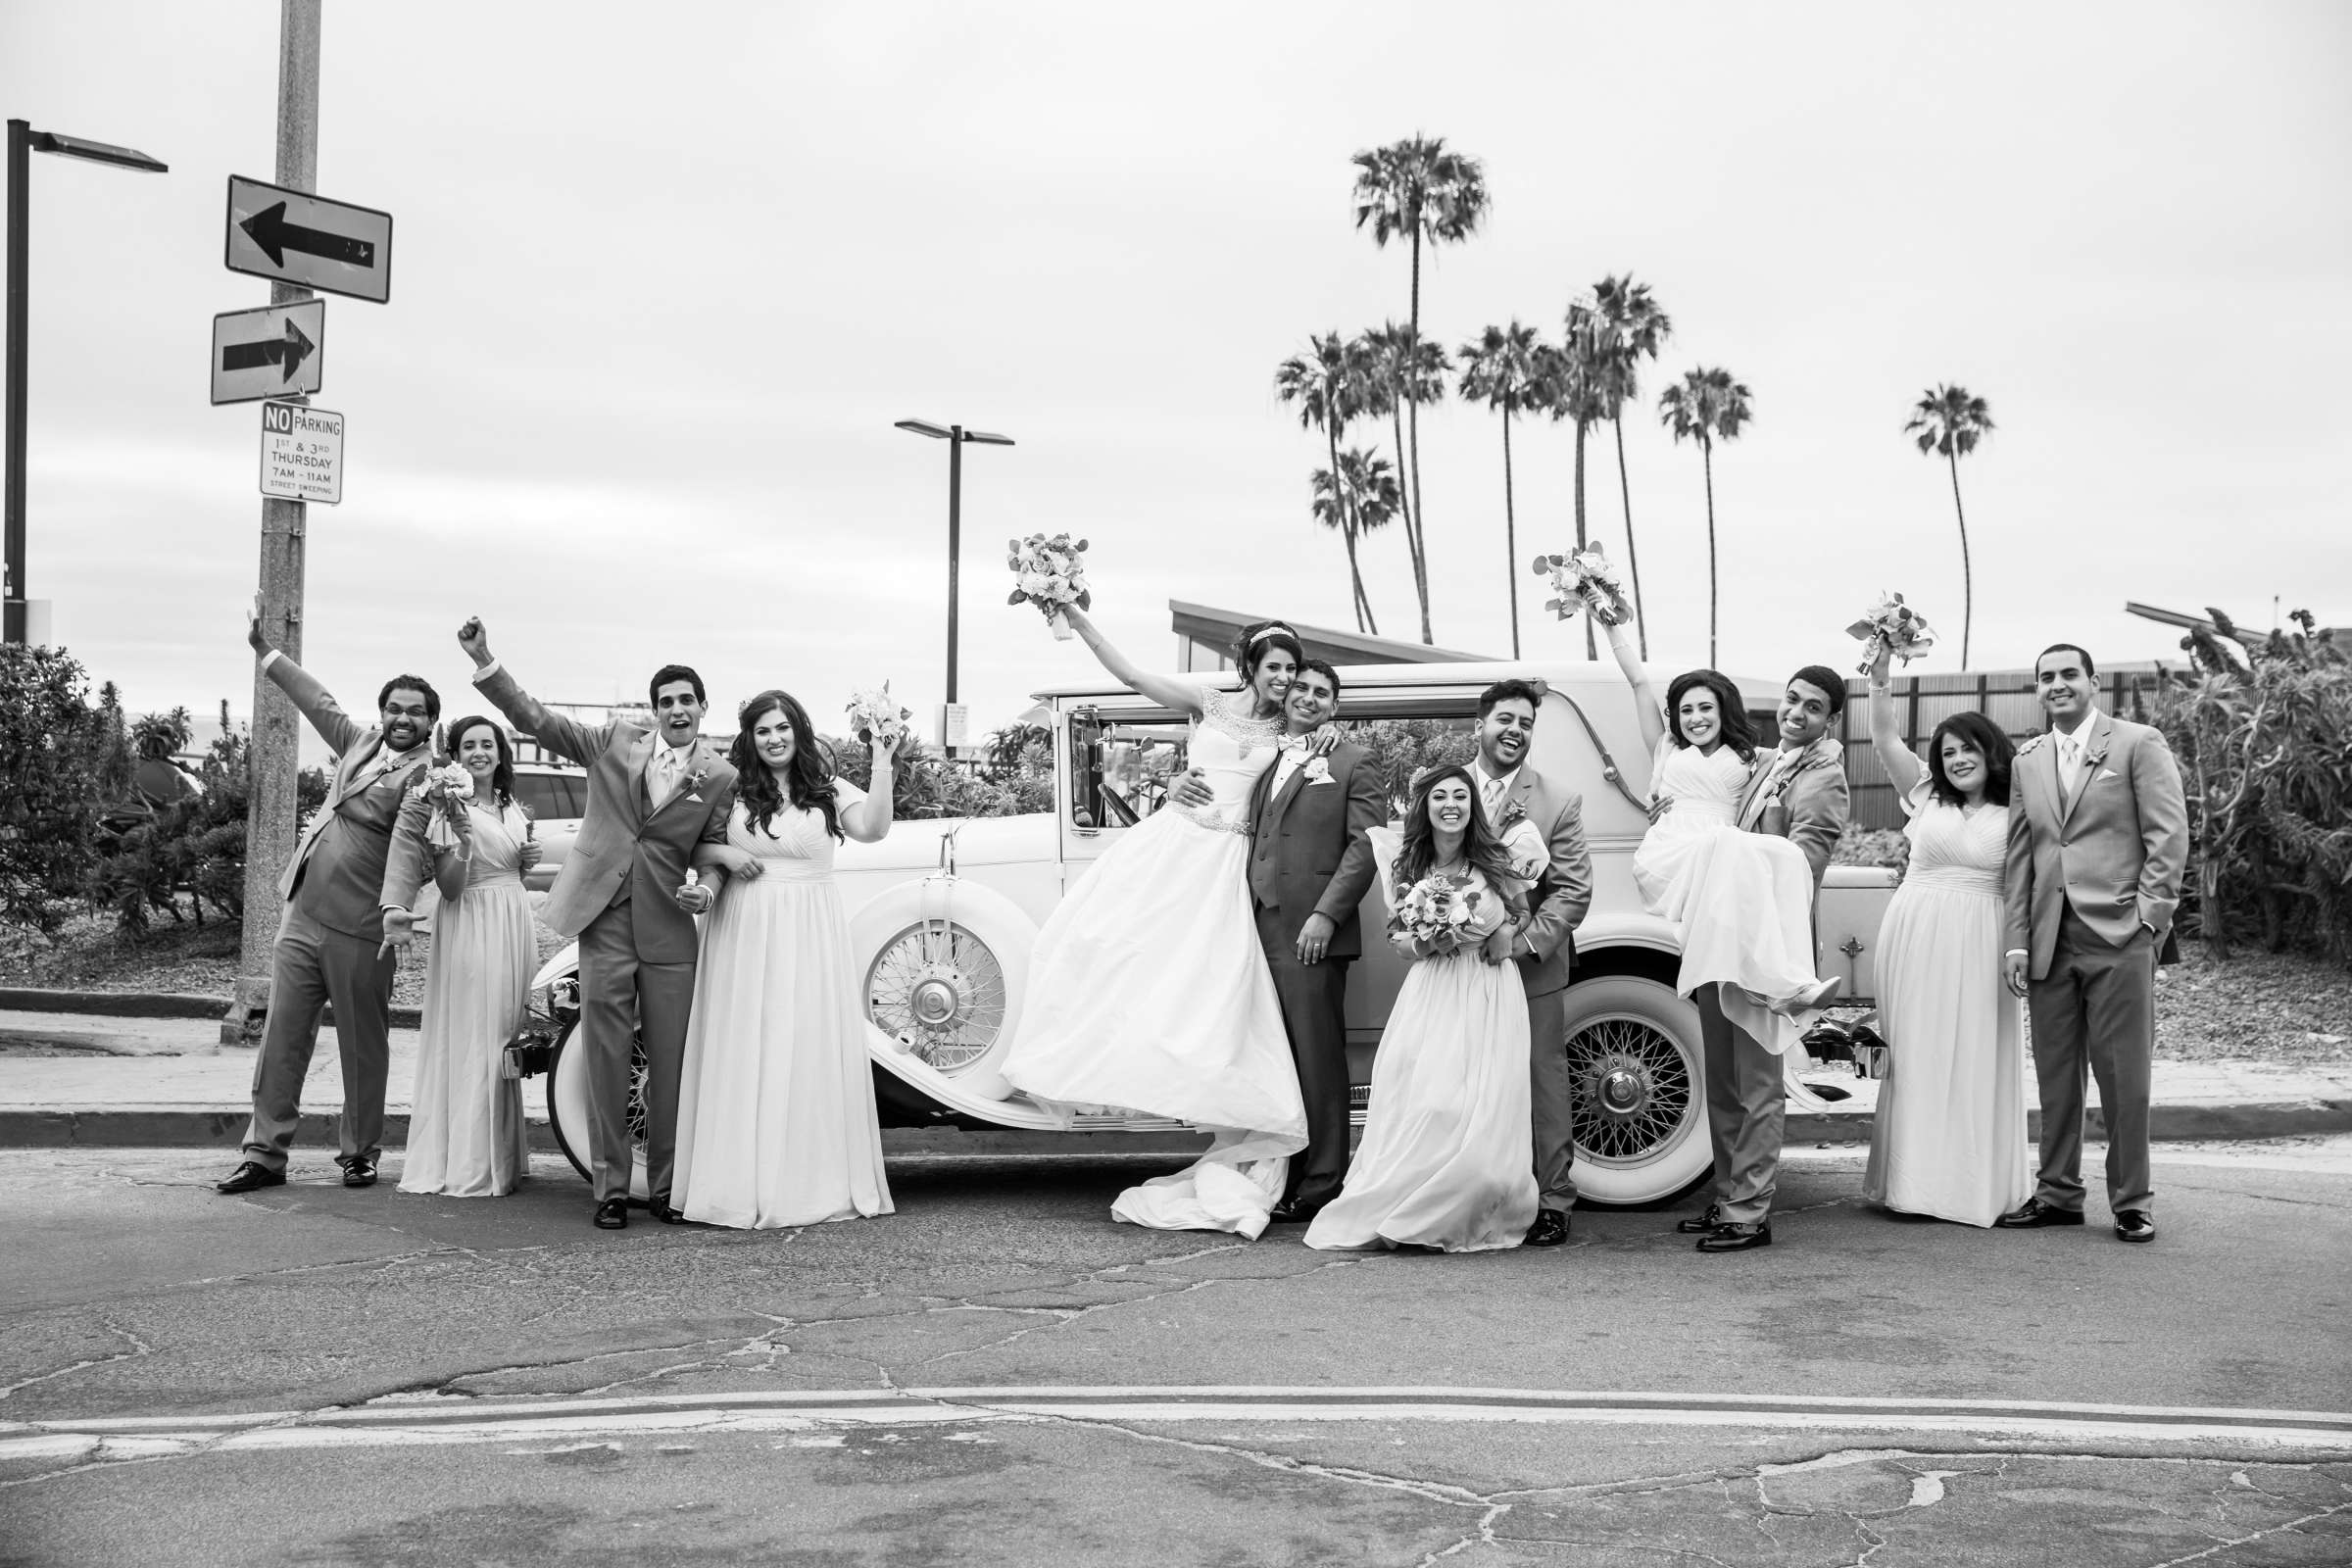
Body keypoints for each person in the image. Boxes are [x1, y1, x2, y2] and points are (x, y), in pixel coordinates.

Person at [1000, 612, 1313, 1238]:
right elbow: (1130, 672)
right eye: (1274, 666)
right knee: (1111, 948)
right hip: (1176, 844)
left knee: (1213, 983)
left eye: (1290, 668)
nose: (1283, 678)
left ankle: (1224, 1105)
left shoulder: (1293, 728)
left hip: (1229, 861)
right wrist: (1073, 614)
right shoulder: (1208, 702)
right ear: (1250, 665)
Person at [458, 618, 737, 1231]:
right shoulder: (614, 742)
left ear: (702, 707)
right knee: (607, 1055)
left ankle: (664, 1186)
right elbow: (539, 721)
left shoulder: (719, 777)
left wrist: (708, 892)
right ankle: (612, 1187)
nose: (676, 709)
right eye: (666, 701)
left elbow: (712, 849)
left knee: (669, 1062)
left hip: (669, 930)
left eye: (687, 699)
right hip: (604, 922)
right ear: (654, 711)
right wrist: (487, 663)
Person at [1594, 610, 1849, 1251]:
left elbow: (1806, 860)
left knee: (1758, 1080)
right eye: (1790, 700)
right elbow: (1651, 707)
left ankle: (1749, 1213)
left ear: (1829, 720)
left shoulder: (1822, 770)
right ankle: (1729, 1196)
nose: (1795, 712)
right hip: (1712, 929)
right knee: (1726, 1080)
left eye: (1812, 707)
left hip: (1759, 934)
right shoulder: (1762, 762)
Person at [217, 604, 437, 1197]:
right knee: (282, 1037)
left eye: (415, 713)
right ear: (382, 713)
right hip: (302, 913)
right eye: (394, 708)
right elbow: (319, 702)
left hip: (363, 927)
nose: (401, 718)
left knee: (362, 1046)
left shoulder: (429, 779)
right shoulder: (359, 744)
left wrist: (396, 912)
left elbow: (412, 853)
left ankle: (360, 1152)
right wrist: (267, 653)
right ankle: (264, 1153)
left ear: (430, 724)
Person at [671, 690, 902, 1229]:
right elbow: (686, 846)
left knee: (802, 1044)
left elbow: (873, 827)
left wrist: (883, 762)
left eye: (782, 728)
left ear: (798, 730)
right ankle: (736, 1181)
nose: (774, 739)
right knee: (748, 1043)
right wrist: (727, 853)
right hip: (745, 926)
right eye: (763, 731)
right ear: (750, 739)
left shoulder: (825, 789)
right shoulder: (731, 788)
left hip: (810, 930)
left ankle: (805, 1180)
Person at [1175, 659, 1383, 1227]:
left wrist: (1325, 916)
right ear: (1286, 696)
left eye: (1323, 692)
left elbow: (1364, 847)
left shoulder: (1352, 761)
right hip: (1256, 925)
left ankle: (1322, 1183)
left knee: (1317, 1059)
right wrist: (1176, 784)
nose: (1310, 698)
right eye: (1302, 688)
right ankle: (1282, 1167)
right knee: (1277, 1058)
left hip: (1312, 932)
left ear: (1335, 706)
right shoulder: (1268, 757)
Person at [1998, 642, 2187, 1245]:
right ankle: (2057, 1194)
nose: (2057, 684)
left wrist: (2150, 920)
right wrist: (2017, 941)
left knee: (2124, 1078)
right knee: (2056, 1078)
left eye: (2068, 674)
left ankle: (2132, 1201)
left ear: (2092, 682)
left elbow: (2168, 834)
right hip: (2050, 938)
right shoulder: (2027, 759)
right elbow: (2021, 858)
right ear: (2037, 689)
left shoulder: (2138, 743)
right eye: (2046, 677)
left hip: (2119, 935)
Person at [1305, 764, 1538, 1253]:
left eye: (1460, 796)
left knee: (1484, 1101)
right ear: (1425, 807)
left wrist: (1505, 932)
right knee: (1431, 1100)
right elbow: (1397, 938)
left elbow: (1522, 912)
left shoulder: (1495, 858)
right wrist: (1429, 940)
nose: (1450, 804)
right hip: (1432, 990)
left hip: (1488, 987)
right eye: (1439, 797)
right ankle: (1413, 1201)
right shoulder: (1408, 865)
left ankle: (1467, 1204)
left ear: (1472, 806)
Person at [1858, 649, 2032, 1226]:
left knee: (1977, 1053)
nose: (1957, 759)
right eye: (1947, 751)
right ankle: (1913, 1186)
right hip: (1914, 929)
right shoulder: (1928, 794)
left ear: (1991, 751)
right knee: (1917, 1054)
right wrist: (1881, 675)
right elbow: (1883, 738)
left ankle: (1972, 1185)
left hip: (1984, 933)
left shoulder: (2022, 806)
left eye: (1967, 748)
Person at [378, 716, 544, 1198]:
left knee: (506, 1037)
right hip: (473, 926)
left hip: (512, 920)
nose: (478, 752)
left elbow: (511, 870)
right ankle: (471, 1160)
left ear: (500, 752)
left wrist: (525, 861)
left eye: (487, 744)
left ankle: (504, 1155)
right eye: (468, 745)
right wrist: (466, 842)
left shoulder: (510, 804)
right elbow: (450, 888)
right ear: (455, 755)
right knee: (479, 1036)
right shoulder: (449, 805)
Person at [1465, 678, 1593, 1248]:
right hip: (1458, 967)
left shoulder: (1558, 800)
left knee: (1543, 1081)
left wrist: (1516, 944)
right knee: (1466, 1082)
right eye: (1505, 720)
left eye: (1525, 723)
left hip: (1531, 967)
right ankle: (1474, 1192)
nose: (1515, 731)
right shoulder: (1445, 789)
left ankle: (1553, 1199)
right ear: (1480, 725)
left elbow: (1572, 892)